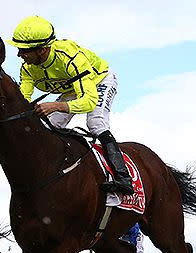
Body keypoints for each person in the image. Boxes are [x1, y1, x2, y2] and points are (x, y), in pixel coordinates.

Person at [7, 16, 133, 195]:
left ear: (42, 50)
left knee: (96, 123)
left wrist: (55, 106)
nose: (19, 54)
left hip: (99, 81)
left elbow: (89, 101)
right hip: (73, 88)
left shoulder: (70, 57)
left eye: (24, 50)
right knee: (46, 126)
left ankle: (123, 178)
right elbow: (22, 100)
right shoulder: (27, 68)